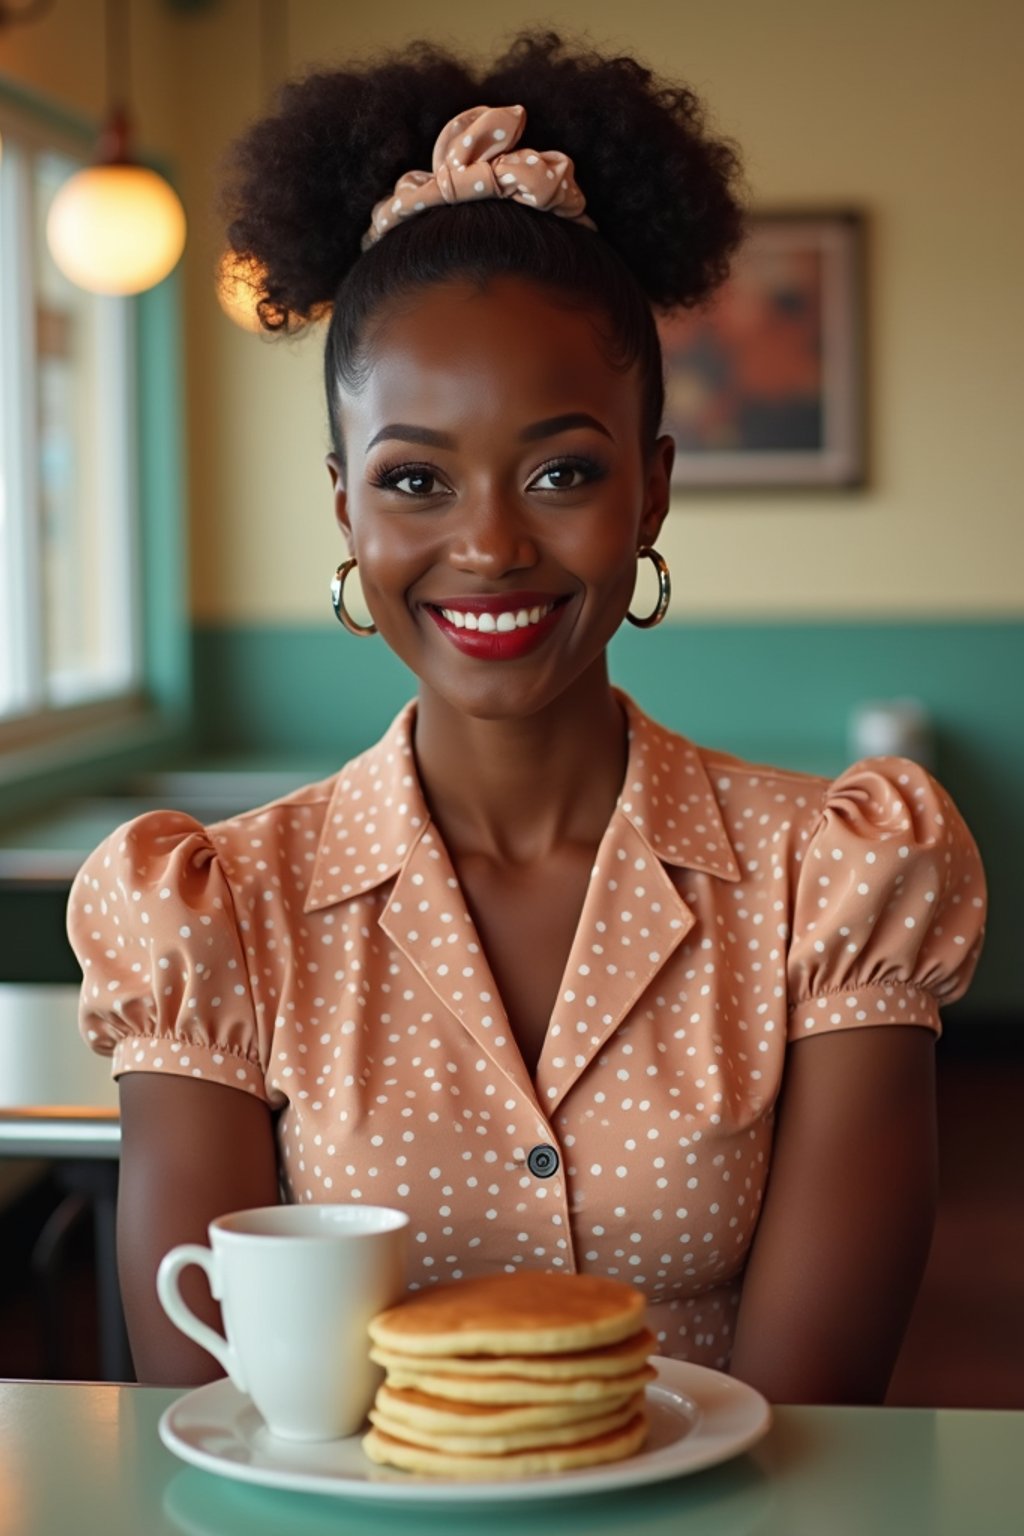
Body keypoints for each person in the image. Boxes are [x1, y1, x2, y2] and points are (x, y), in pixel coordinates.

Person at [67, 30, 986, 1401]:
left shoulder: (835, 884)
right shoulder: (215, 917)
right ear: (345, 508)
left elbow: (808, 1429)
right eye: (416, 481)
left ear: (653, 491)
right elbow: (220, 1408)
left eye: (561, 471)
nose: (490, 546)